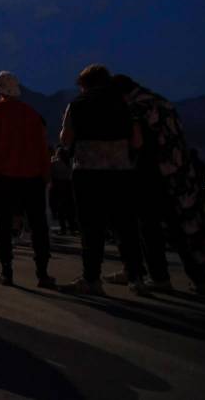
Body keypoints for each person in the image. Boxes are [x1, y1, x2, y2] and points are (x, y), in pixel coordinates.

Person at [111, 76, 205, 294]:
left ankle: (160, 278)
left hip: (151, 175)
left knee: (150, 229)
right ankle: (201, 280)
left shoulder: (135, 107)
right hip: (178, 174)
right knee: (182, 229)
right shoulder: (162, 102)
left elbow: (138, 142)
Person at [58, 64, 145, 296]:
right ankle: (136, 277)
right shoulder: (125, 104)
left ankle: (92, 279)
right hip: (121, 172)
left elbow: (66, 140)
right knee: (126, 226)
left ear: (84, 84)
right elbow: (137, 141)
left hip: (87, 171)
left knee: (91, 228)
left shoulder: (77, 104)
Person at [0, 71, 55, 289]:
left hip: (2, 178)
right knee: (38, 225)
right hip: (32, 178)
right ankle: (43, 273)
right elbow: (42, 148)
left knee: (2, 224)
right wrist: (46, 174)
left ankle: (7, 271)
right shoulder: (32, 114)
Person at [49, 146, 78, 235]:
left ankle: (63, 229)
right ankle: (72, 228)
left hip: (58, 187)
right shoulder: (70, 163)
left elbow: (50, 172)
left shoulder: (55, 163)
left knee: (60, 210)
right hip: (68, 186)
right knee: (69, 209)